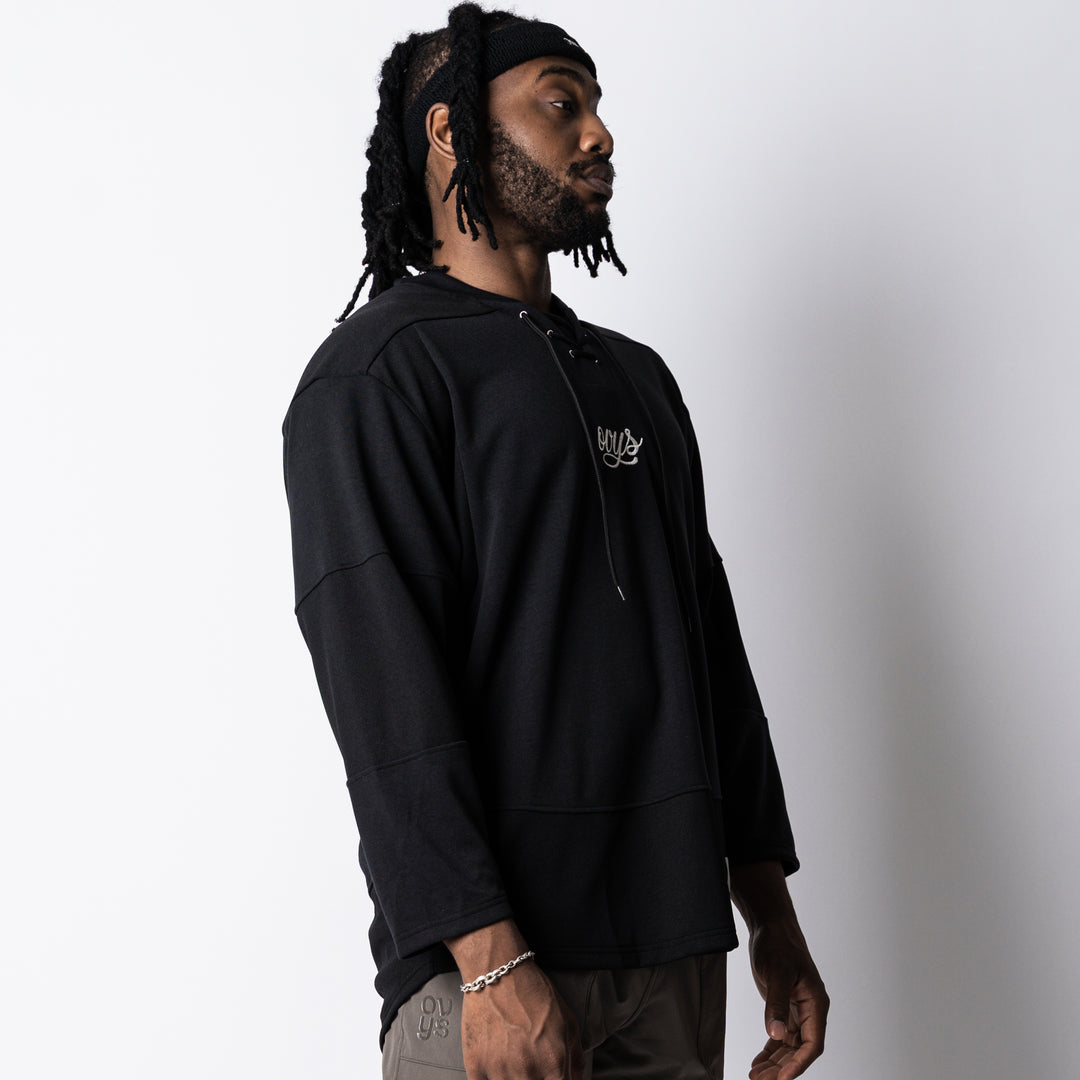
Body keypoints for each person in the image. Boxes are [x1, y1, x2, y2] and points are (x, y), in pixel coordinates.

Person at [282, 5, 829, 1078]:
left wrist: (769, 912)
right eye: (559, 105)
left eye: (597, 107)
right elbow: (387, 698)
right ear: (449, 133)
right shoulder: (376, 379)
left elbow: (711, 661)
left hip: (676, 955)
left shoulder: (638, 379)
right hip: (494, 974)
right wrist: (488, 959)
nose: (598, 134)